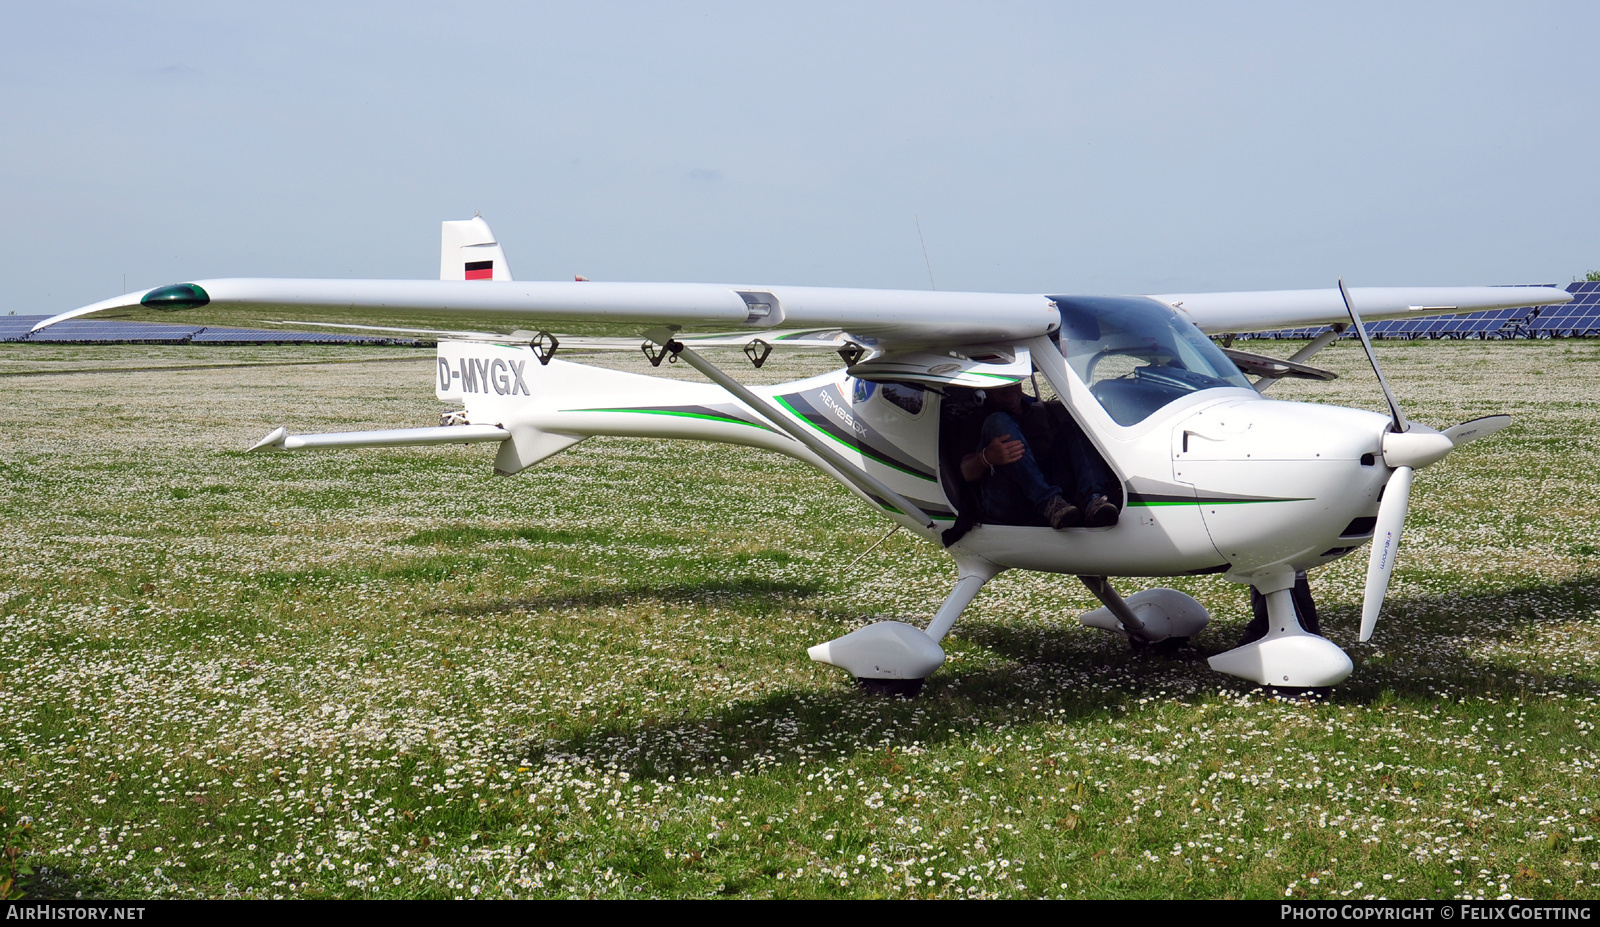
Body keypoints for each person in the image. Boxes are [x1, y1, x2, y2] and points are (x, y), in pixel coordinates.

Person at [960, 382, 1119, 529]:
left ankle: (1095, 499)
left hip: (1052, 488)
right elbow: (966, 473)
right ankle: (1049, 503)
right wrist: (986, 457)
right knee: (998, 421)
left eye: (1012, 381)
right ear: (987, 387)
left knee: (1077, 419)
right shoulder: (977, 419)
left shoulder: (1037, 411)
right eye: (1001, 384)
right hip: (1009, 500)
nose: (1008, 387)